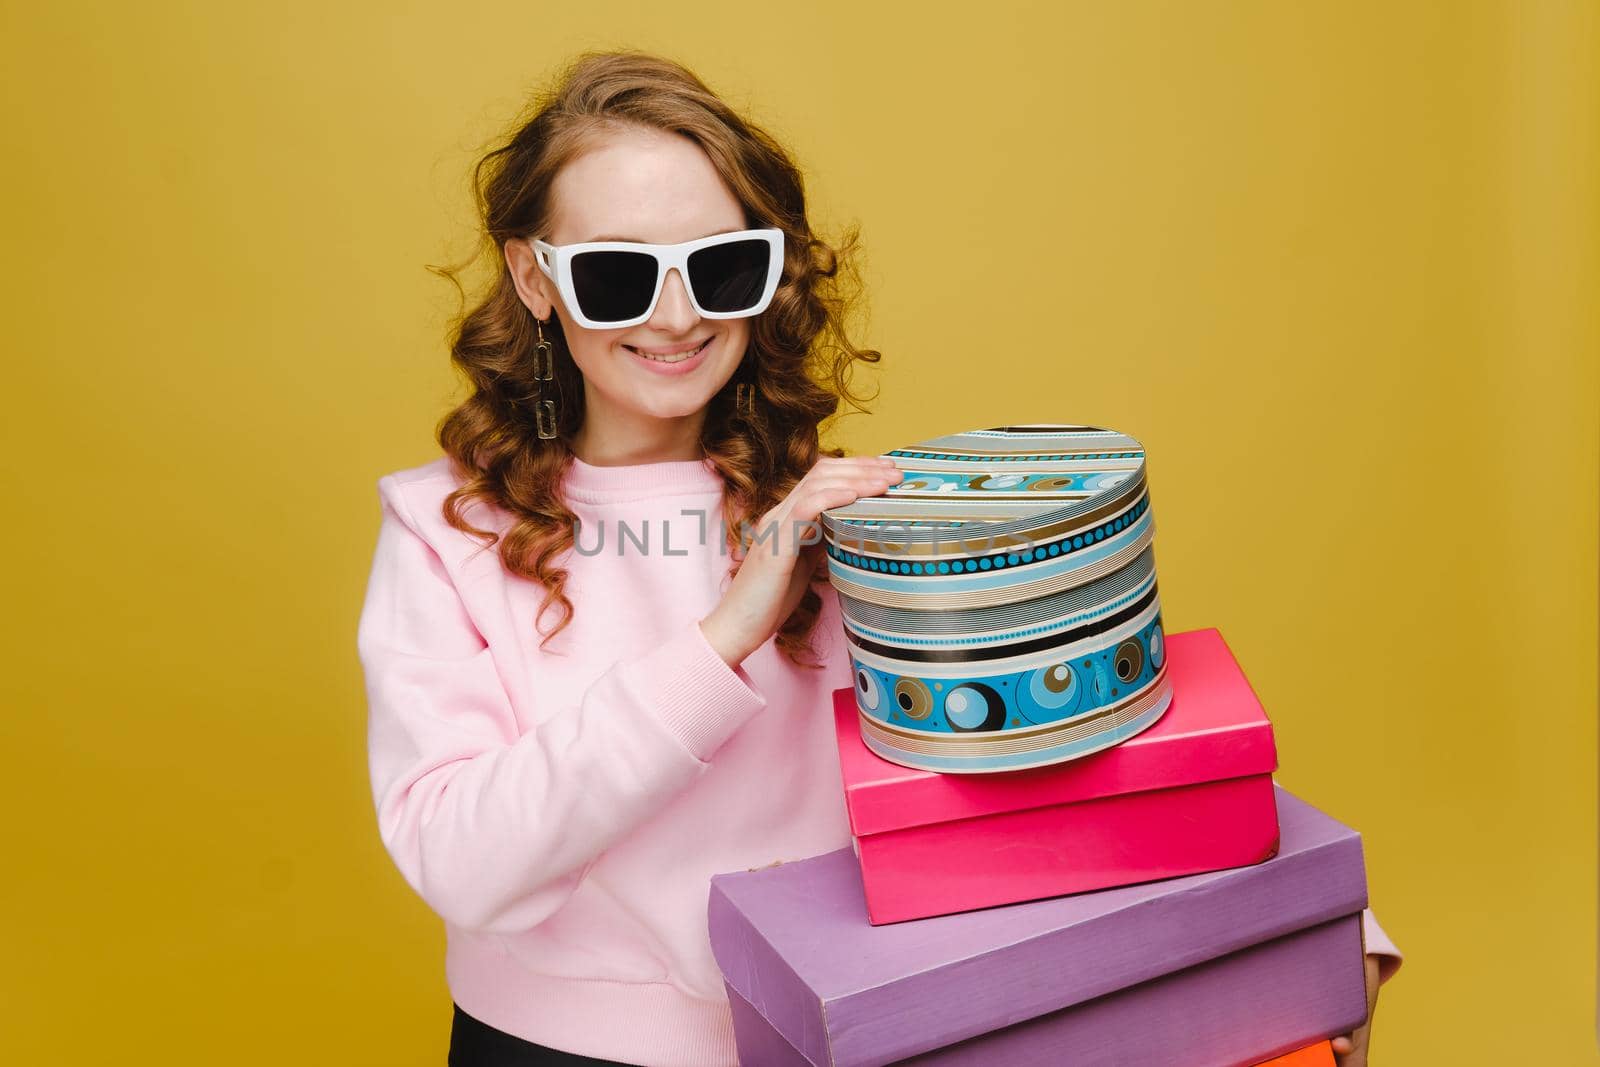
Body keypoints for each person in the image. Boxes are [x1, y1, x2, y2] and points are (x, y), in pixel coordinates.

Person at [356, 49, 1402, 1067]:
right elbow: (464, 864)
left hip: (861, 1035)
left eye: (720, 265)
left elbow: (1061, 756)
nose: (678, 316)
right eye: (621, 274)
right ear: (535, 279)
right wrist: (727, 631)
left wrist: (1309, 941)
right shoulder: (443, 530)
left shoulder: (848, 515)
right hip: (556, 1051)